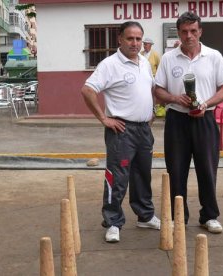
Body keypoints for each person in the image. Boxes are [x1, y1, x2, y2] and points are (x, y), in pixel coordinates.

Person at [81, 21, 160, 243]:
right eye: (130, 38)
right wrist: (104, 118)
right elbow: (87, 91)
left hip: (144, 130)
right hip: (121, 130)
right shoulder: (109, 64)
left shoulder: (144, 62)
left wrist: (150, 111)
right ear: (120, 39)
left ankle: (145, 215)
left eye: (138, 39)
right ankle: (113, 221)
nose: (135, 43)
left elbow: (148, 90)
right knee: (117, 177)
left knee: (142, 175)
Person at [154, 11, 223, 234]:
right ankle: (178, 217)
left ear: (200, 32)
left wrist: (205, 104)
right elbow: (158, 90)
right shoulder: (168, 58)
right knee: (176, 170)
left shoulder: (214, 56)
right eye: (184, 31)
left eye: (193, 31)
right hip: (177, 120)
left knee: (207, 169)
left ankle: (209, 216)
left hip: (205, 118)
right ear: (178, 33)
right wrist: (175, 98)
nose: (189, 35)